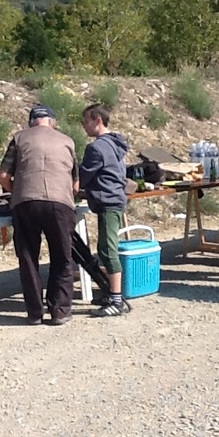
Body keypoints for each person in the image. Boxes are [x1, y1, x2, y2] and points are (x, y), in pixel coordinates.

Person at [0, 105, 79, 325]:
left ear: (31, 122)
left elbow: (3, 175)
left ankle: (35, 313)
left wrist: (17, 190)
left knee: (28, 258)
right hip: (60, 204)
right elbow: (76, 184)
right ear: (52, 122)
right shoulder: (67, 141)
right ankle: (60, 310)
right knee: (62, 258)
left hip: (26, 204)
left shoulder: (19, 138)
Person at [79, 103, 131, 316]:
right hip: (114, 199)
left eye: (86, 121)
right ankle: (112, 294)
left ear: (97, 120)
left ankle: (116, 300)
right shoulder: (115, 143)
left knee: (108, 250)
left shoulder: (96, 148)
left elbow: (83, 177)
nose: (84, 126)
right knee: (105, 248)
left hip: (108, 201)